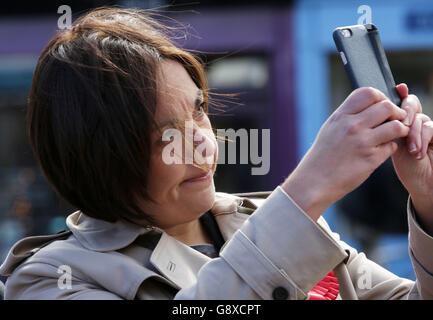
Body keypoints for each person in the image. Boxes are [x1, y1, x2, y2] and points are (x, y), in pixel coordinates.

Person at [0, 7, 433, 300]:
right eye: (164, 133)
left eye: (199, 110)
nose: (201, 141)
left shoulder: (262, 220)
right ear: (94, 155)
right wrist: (306, 192)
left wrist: (427, 198)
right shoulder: (51, 277)